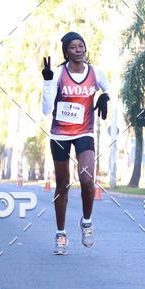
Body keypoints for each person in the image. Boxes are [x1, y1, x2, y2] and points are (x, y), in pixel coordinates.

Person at [42, 31, 110, 255]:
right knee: (63, 185)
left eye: (81, 46)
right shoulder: (59, 73)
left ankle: (87, 222)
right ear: (66, 51)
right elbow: (45, 110)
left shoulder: (95, 72)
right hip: (60, 134)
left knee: (87, 179)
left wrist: (104, 96)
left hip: (84, 133)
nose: (78, 50)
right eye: (73, 47)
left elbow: (108, 88)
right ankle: (60, 234)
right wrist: (48, 82)